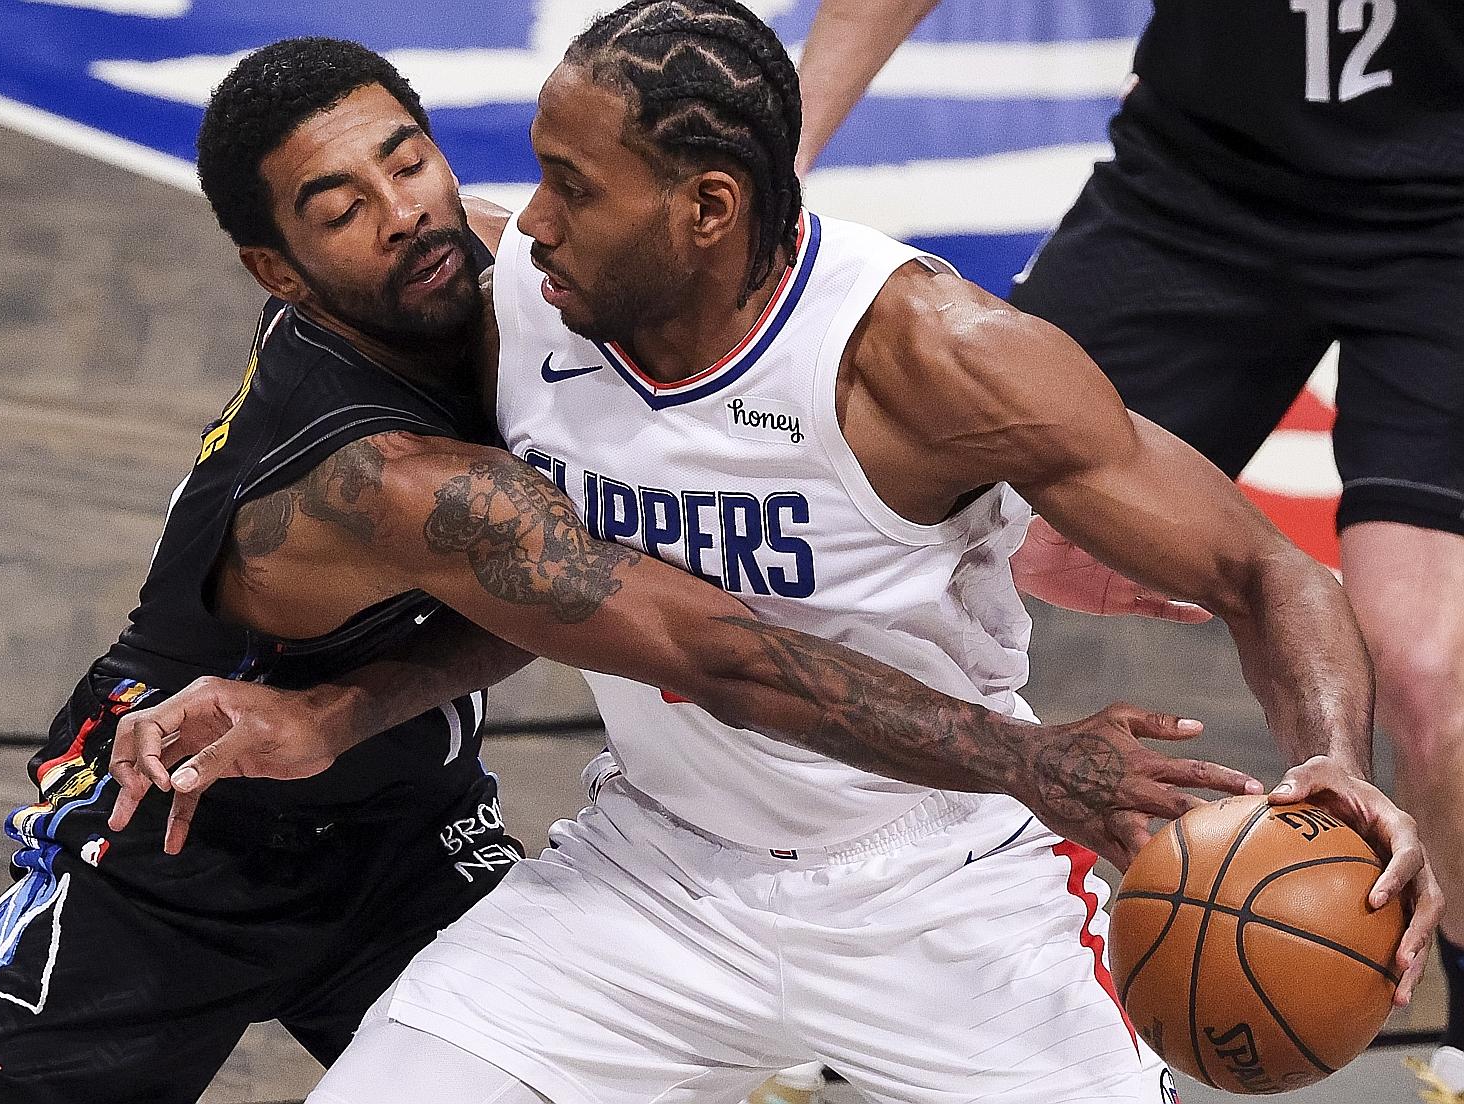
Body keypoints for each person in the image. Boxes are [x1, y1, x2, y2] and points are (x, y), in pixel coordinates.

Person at [118, 5, 1440, 1103]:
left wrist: (1326, 763)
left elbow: (1273, 577)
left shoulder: (929, 357)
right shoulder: (528, 301)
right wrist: (333, 710)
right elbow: (586, 602)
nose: (524, 226)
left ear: (703, 209)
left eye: (574, 189)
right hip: (652, 874)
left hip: (943, 891)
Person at [796, 1, 1464, 1096]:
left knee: (1431, 671)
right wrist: (789, 141)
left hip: (1447, 212)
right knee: (927, 516)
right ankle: (824, 958)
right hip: (1206, 178)